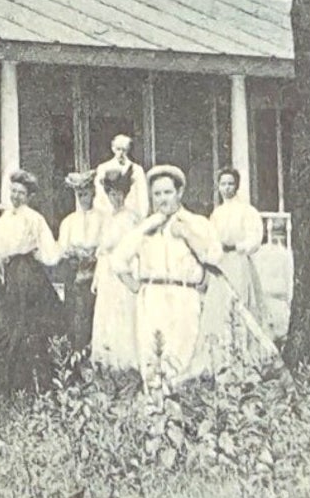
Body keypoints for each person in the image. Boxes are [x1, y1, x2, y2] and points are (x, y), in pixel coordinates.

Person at [104, 165, 223, 385]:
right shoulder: (145, 226)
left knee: (183, 358)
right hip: (152, 298)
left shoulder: (196, 223)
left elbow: (214, 256)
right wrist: (136, 287)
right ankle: (155, 412)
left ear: (179, 192)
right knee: (152, 359)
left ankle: (181, 413)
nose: (162, 199)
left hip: (184, 296)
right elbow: (118, 259)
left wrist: (188, 234)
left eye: (167, 192)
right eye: (157, 194)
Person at [0, 169, 68, 395]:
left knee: (27, 324)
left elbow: (50, 251)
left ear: (29, 195)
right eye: (13, 191)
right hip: (8, 274)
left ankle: (29, 384)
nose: (16, 196)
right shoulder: (3, 219)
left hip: (27, 275)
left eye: (21, 193)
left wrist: (37, 256)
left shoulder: (34, 218)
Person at [203, 166, 279, 371]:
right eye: (223, 184)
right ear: (218, 187)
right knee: (220, 307)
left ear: (237, 185)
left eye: (230, 183)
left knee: (241, 303)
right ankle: (223, 358)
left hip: (238, 261)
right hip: (221, 263)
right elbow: (210, 239)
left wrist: (237, 246)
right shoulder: (216, 213)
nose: (227, 188)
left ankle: (246, 357)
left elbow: (255, 238)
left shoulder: (246, 211)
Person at [86, 166, 144, 368]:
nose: (116, 198)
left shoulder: (131, 218)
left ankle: (126, 362)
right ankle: (108, 362)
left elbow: (135, 248)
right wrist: (97, 277)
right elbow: (103, 251)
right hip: (107, 272)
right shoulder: (108, 218)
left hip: (124, 272)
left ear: (125, 194)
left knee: (124, 311)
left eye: (119, 194)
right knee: (107, 312)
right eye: (112, 194)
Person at [54, 172, 105, 355]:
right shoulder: (69, 222)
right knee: (75, 314)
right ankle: (76, 355)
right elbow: (61, 247)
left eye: (86, 192)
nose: (83, 197)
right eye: (79, 194)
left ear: (93, 192)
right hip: (74, 273)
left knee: (93, 314)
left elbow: (105, 245)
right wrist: (72, 253)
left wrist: (93, 255)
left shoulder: (103, 218)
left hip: (95, 273)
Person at [93, 134, 149, 221]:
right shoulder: (103, 168)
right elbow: (99, 194)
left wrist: (142, 215)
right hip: (108, 215)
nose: (121, 153)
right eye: (118, 149)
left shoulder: (136, 169)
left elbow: (142, 194)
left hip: (131, 214)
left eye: (124, 150)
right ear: (113, 148)